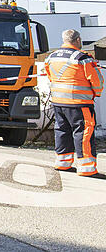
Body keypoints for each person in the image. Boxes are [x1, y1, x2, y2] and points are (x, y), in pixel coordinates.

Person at [44, 29, 103, 176]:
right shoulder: (83, 58)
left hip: (58, 102)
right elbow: (97, 82)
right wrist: (95, 94)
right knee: (83, 133)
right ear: (77, 40)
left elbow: (50, 77)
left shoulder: (52, 57)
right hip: (79, 103)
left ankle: (63, 163)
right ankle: (86, 168)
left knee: (62, 131)